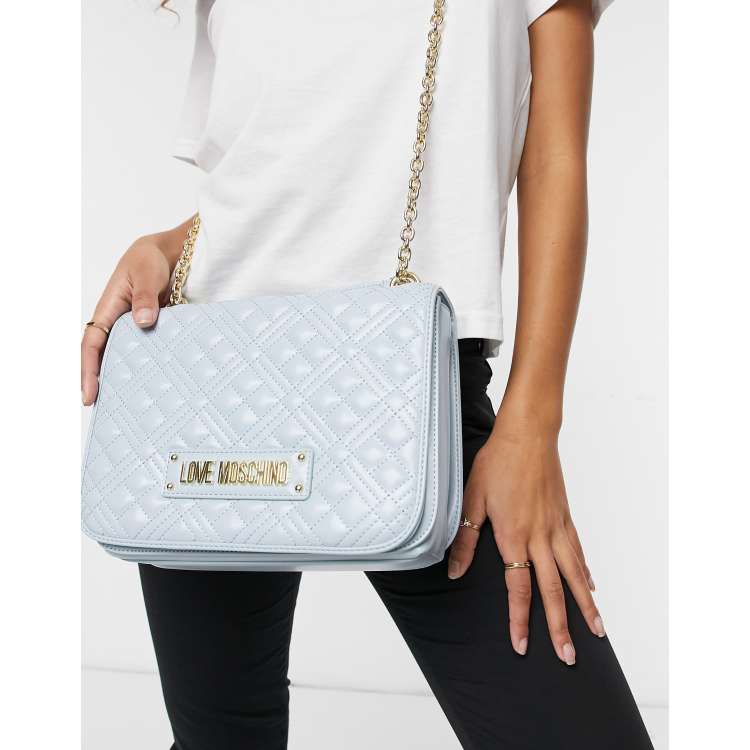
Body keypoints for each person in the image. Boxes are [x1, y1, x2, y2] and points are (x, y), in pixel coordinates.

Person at [81, 1, 654, 748]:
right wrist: (168, 245)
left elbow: (553, 161)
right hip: (214, 380)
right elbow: (274, 175)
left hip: (414, 386)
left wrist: (531, 426)